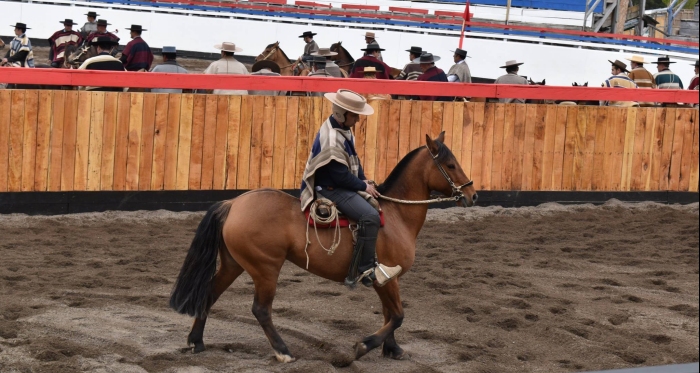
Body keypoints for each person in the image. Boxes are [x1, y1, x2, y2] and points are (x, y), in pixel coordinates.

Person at [300, 89, 402, 287]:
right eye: (354, 115)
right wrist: (363, 185)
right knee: (370, 216)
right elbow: (340, 176)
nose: (357, 119)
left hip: (337, 183)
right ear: (341, 114)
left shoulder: (342, 129)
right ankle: (365, 269)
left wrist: (364, 180)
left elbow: (353, 161)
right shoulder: (331, 138)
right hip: (330, 188)